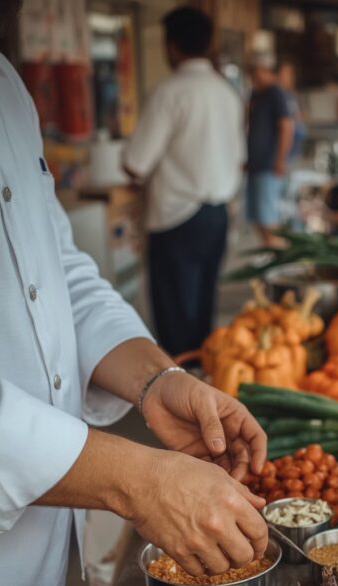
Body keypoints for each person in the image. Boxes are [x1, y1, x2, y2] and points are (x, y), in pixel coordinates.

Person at [0, 19, 268, 586]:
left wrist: (159, 381)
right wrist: (139, 482)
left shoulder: (8, 87)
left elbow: (61, 272)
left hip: (37, 564)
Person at [123, 6, 244, 358]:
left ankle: (180, 397)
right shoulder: (227, 92)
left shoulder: (170, 92)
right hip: (217, 213)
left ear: (171, 46)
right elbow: (239, 158)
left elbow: (135, 164)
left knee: (175, 315)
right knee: (203, 305)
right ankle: (202, 383)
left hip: (177, 216)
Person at [246, 52, 295, 247]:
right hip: (255, 165)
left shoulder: (275, 92)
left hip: (269, 165)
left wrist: (280, 159)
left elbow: (287, 126)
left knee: (268, 218)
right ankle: (269, 250)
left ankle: (278, 259)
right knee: (258, 218)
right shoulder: (256, 93)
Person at [277, 59, 306, 164]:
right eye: (284, 73)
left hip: (295, 148)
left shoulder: (292, 95)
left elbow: (299, 117)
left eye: (290, 74)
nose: (287, 77)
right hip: (283, 151)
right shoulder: (276, 96)